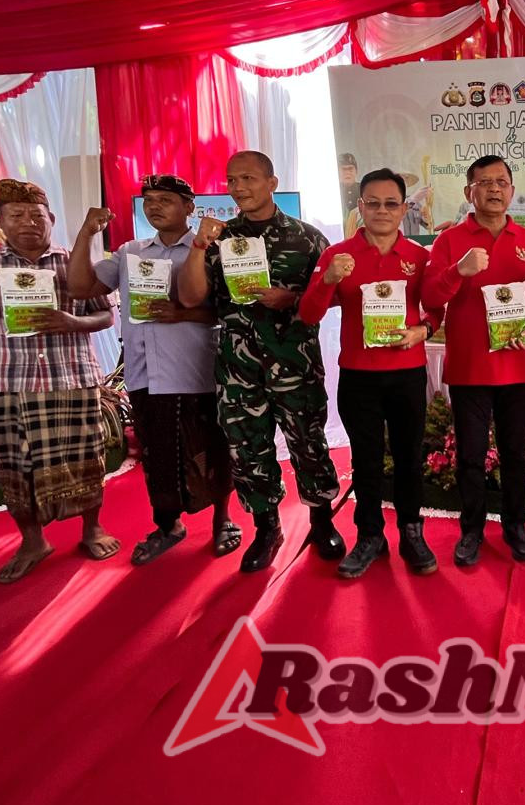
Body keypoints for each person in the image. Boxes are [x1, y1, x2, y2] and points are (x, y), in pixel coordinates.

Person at [0, 180, 119, 583]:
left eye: (36, 215)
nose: (28, 222)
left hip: (70, 375)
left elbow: (106, 315)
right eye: (16, 215)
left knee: (86, 458)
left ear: (51, 219)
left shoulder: (73, 261)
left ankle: (92, 529)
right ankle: (33, 541)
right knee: (16, 467)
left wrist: (72, 322)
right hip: (8, 380)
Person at [177, 150, 344, 573]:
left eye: (248, 178)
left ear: (272, 183)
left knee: (308, 443)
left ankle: (321, 521)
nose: (238, 187)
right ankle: (267, 528)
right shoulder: (219, 238)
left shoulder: (307, 238)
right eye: (232, 180)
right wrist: (198, 245)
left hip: (295, 363)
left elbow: (333, 296)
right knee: (248, 449)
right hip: (239, 368)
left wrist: (294, 298)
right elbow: (191, 297)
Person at [67, 174, 238, 565]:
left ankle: (223, 520)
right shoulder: (130, 252)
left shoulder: (211, 249)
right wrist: (86, 234)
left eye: (166, 199)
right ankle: (168, 526)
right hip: (144, 373)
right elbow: (81, 288)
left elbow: (231, 310)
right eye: (149, 200)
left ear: (189, 207)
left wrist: (183, 314)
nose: (155, 206)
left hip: (195, 370)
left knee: (210, 450)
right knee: (157, 455)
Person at [299, 168, 443, 579]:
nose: (382, 211)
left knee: (409, 457)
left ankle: (412, 533)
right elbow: (308, 314)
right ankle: (370, 535)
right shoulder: (337, 255)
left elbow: (436, 308)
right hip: (358, 376)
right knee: (366, 461)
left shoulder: (419, 257)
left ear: (403, 208)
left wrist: (422, 330)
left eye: (391, 204)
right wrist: (327, 280)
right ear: (360, 207)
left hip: (407, 374)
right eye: (373, 203)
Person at [421, 155, 525, 566]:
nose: (494, 189)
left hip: (517, 366)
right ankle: (472, 530)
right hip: (469, 369)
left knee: (516, 454)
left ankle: (516, 526)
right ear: (469, 192)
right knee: (470, 457)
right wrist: (458, 271)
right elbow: (430, 298)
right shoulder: (449, 241)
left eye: (502, 182)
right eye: (485, 182)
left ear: (512, 191)